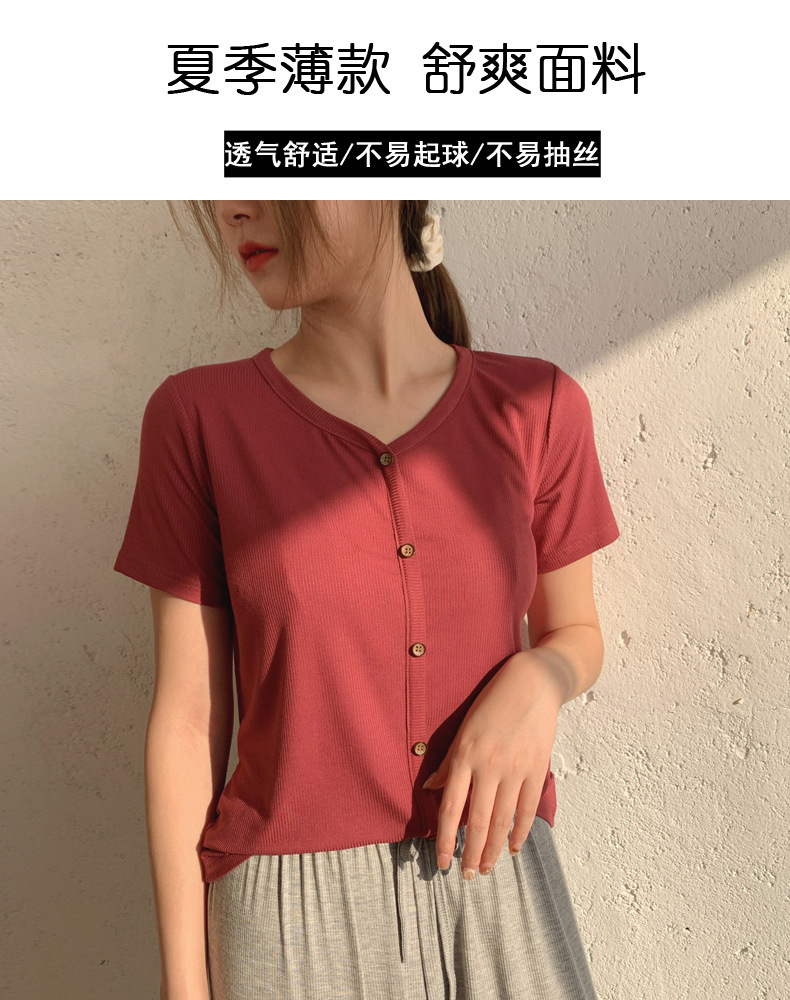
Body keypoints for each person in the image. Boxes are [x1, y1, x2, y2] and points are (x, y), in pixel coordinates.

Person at [114, 200, 621, 1000]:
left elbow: (576, 630)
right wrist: (185, 987)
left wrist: (540, 678)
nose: (232, 206)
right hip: (290, 922)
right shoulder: (200, 419)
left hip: (500, 874)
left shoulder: (537, 405)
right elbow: (186, 719)